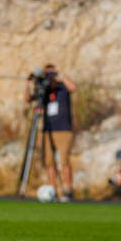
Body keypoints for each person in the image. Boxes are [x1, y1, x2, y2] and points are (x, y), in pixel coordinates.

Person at [25, 64, 77, 201]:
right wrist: (29, 84)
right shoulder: (44, 91)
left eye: (51, 74)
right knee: (49, 162)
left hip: (64, 130)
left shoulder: (62, 88)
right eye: (47, 74)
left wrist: (60, 76)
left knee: (64, 160)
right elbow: (27, 99)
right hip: (47, 131)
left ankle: (68, 190)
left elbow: (73, 87)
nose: (49, 77)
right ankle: (53, 191)